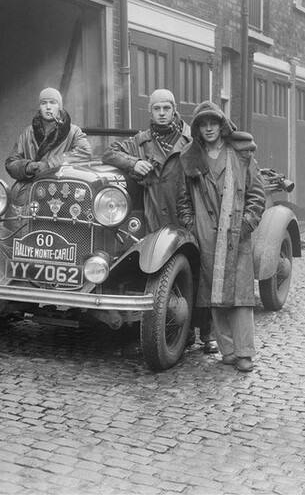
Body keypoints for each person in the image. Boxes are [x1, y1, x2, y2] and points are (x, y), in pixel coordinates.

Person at [102, 89, 216, 353]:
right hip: (156, 218)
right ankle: (174, 331)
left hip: (188, 215)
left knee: (200, 271)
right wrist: (133, 164)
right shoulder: (140, 142)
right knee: (162, 273)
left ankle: (206, 333)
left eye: (166, 108)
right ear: (150, 111)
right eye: (157, 109)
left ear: (174, 109)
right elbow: (109, 153)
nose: (162, 113)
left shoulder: (191, 139)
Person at [178, 101, 266, 372]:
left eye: (213, 124)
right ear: (197, 129)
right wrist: (194, 227)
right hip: (206, 235)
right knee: (214, 295)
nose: (208, 129)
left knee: (240, 297)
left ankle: (244, 353)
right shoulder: (189, 158)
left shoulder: (241, 155)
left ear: (222, 125)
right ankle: (226, 349)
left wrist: (247, 225)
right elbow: (183, 201)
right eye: (203, 125)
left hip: (236, 233)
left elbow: (256, 196)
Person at [5, 87, 92, 206]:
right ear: (39, 107)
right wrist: (29, 167)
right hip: (30, 193)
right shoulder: (28, 132)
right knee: (21, 222)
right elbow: (11, 163)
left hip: (62, 192)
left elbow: (85, 153)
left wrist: (49, 165)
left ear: (60, 106)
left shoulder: (73, 132)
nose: (48, 107)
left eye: (53, 102)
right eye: (43, 103)